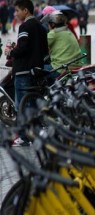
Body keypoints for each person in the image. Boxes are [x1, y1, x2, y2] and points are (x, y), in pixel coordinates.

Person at [6, 0, 48, 146]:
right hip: (36, 72)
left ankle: (24, 137)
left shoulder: (25, 26)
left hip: (23, 71)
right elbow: (45, 51)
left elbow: (23, 47)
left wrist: (11, 51)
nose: (15, 14)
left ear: (26, 11)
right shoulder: (41, 27)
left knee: (21, 106)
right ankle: (36, 133)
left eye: (17, 11)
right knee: (32, 104)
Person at [45, 11, 83, 77]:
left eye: (49, 24)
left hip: (61, 68)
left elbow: (39, 45)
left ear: (52, 24)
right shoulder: (68, 31)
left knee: (37, 69)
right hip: (76, 66)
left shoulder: (53, 33)